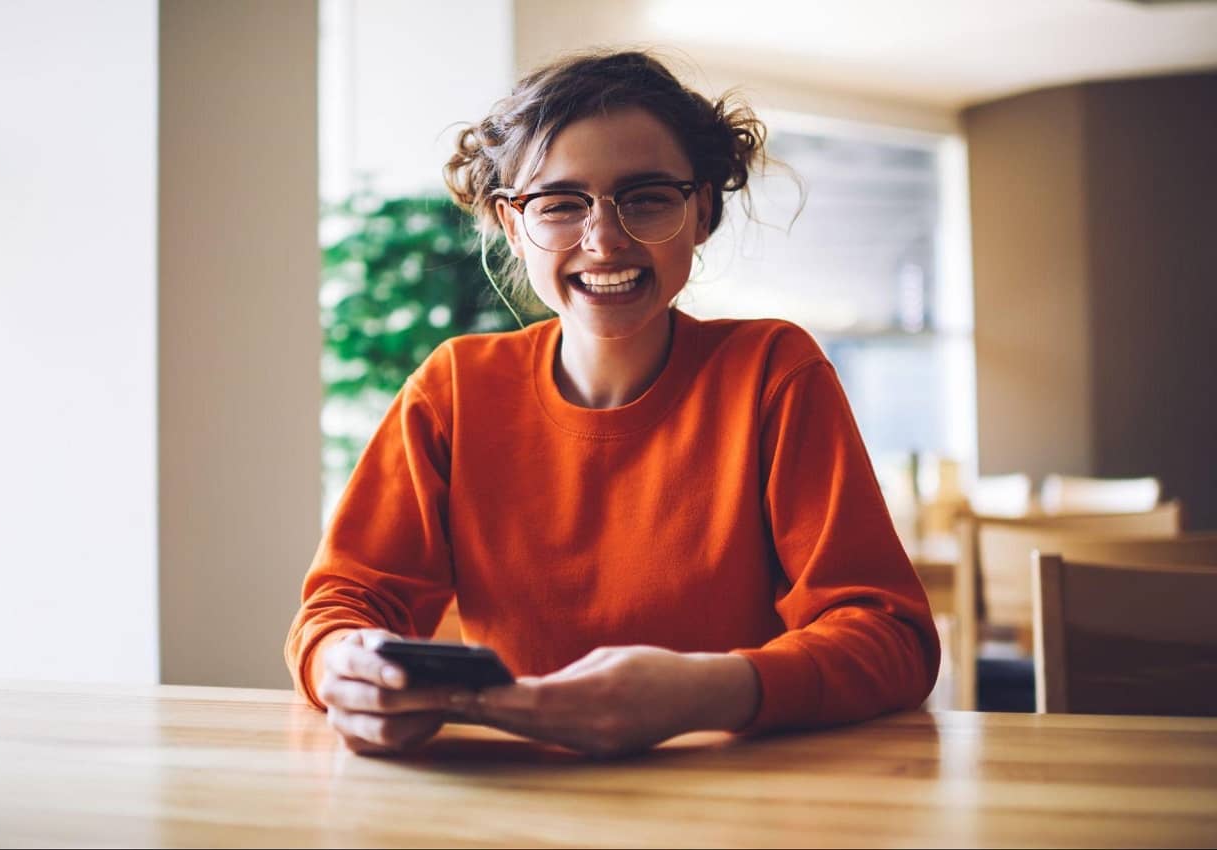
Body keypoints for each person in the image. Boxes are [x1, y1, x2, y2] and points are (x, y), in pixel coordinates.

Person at [285, 49, 939, 758]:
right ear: (512, 225)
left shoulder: (774, 373)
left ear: (702, 211)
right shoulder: (454, 389)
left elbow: (891, 636)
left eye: (648, 197)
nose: (604, 239)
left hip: (729, 794)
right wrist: (345, 670)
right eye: (561, 204)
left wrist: (706, 690)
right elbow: (338, 610)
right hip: (513, 798)